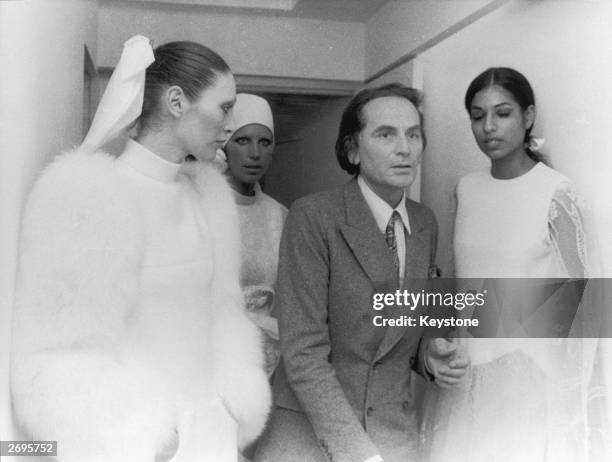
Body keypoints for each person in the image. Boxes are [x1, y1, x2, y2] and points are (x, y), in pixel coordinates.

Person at [10, 36, 270, 462]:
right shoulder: (86, 197)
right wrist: (148, 439)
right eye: (225, 107)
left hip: (210, 437)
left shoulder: (208, 197)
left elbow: (224, 315)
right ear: (175, 101)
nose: (230, 125)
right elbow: (55, 357)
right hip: (137, 446)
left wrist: (227, 410)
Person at [254, 83, 469, 462]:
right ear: (352, 149)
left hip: (392, 432)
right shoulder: (314, 216)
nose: (404, 148)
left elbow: (400, 332)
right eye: (386, 134)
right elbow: (303, 352)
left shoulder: (424, 223)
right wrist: (359, 454)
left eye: (413, 135)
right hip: (311, 434)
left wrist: (429, 359)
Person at [423, 67, 600, 462]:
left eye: (502, 113)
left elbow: (581, 304)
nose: (489, 127)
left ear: (528, 116)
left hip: (530, 378)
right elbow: (456, 280)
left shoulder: (556, 192)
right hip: (466, 373)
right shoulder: (466, 188)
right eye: (477, 115)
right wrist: (441, 340)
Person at [223, 93, 287, 378]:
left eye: (264, 142)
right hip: (215, 355)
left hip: (270, 360)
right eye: (242, 140)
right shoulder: (201, 206)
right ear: (224, 145)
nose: (255, 153)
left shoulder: (280, 215)